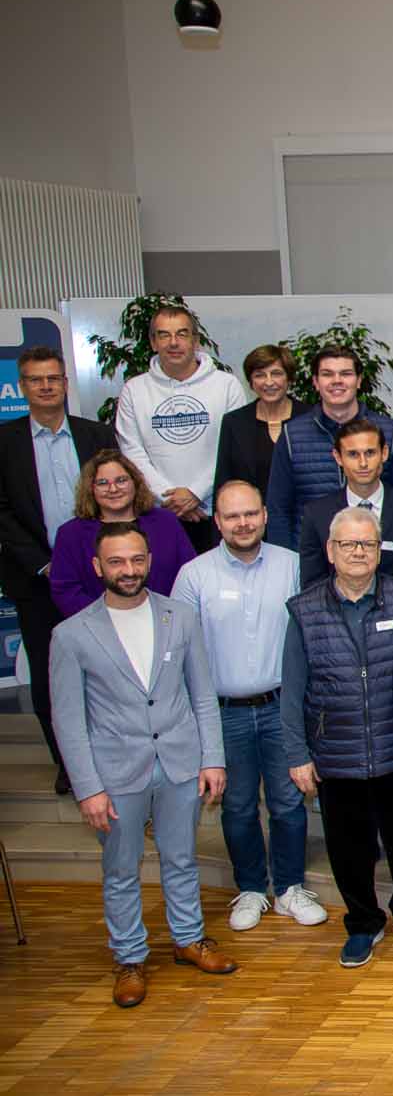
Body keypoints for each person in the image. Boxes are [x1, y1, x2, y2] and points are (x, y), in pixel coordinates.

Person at [50, 523, 236, 1007]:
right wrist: (87, 788)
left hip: (179, 763)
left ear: (149, 560)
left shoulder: (181, 616)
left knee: (181, 858)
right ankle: (130, 958)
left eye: (136, 560)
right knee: (120, 869)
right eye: (116, 562)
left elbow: (202, 693)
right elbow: (68, 721)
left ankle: (188, 940)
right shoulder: (70, 635)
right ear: (98, 568)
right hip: (114, 774)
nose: (128, 570)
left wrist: (211, 757)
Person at [282, 507, 393, 968]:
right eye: (349, 544)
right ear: (331, 551)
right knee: (348, 847)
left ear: (380, 550)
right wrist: (297, 753)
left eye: (368, 544)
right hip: (336, 753)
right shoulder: (304, 609)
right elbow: (292, 689)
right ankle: (362, 922)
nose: (359, 552)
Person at [172, 480, 323, 932]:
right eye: (232, 516)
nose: (243, 523)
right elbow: (182, 651)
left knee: (287, 802)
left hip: (282, 708)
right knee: (237, 806)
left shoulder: (293, 567)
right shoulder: (193, 576)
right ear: (217, 521)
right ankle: (253, 889)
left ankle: (291, 888)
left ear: (265, 515)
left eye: (250, 513)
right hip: (223, 712)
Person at [0, 346, 114, 792]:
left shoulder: (96, 434)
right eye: (35, 379)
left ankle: (111, 758)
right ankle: (69, 765)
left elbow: (114, 496)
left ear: (66, 383)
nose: (45, 386)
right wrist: (45, 565)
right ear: (22, 387)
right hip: (37, 579)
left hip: (99, 577)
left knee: (106, 670)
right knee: (53, 678)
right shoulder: (5, 442)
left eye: (53, 378)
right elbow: (3, 512)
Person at [114, 302, 248, 551]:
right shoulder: (134, 390)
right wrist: (170, 499)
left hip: (215, 514)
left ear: (196, 340)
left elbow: (232, 448)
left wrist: (195, 493)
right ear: (153, 343)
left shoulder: (227, 385)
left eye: (182, 334)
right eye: (164, 335)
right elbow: (131, 451)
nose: (173, 342)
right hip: (158, 516)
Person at [265, 346, 393, 549]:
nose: (337, 381)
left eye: (346, 374)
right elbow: (278, 509)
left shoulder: (389, 432)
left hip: (379, 558)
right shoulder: (291, 436)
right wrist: (286, 562)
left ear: (358, 381)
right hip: (312, 558)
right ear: (315, 382)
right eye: (327, 374)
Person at [50, 450, 198, 617]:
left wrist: (170, 617)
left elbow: (190, 576)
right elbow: (65, 591)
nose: (113, 489)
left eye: (121, 480)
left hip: (167, 621)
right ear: (90, 489)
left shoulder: (166, 522)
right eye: (102, 483)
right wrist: (110, 620)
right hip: (100, 628)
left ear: (135, 483)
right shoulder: (70, 534)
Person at [296, 419, 393, 588]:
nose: (363, 463)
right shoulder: (317, 514)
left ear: (384, 453)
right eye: (353, 454)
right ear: (338, 457)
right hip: (335, 612)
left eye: (370, 453)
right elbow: (312, 586)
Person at [213, 344, 302, 496]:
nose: (268, 382)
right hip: (251, 516)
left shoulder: (311, 417)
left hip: (304, 517)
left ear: (289, 378)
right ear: (251, 382)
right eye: (259, 375)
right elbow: (224, 481)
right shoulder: (234, 423)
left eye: (276, 374)